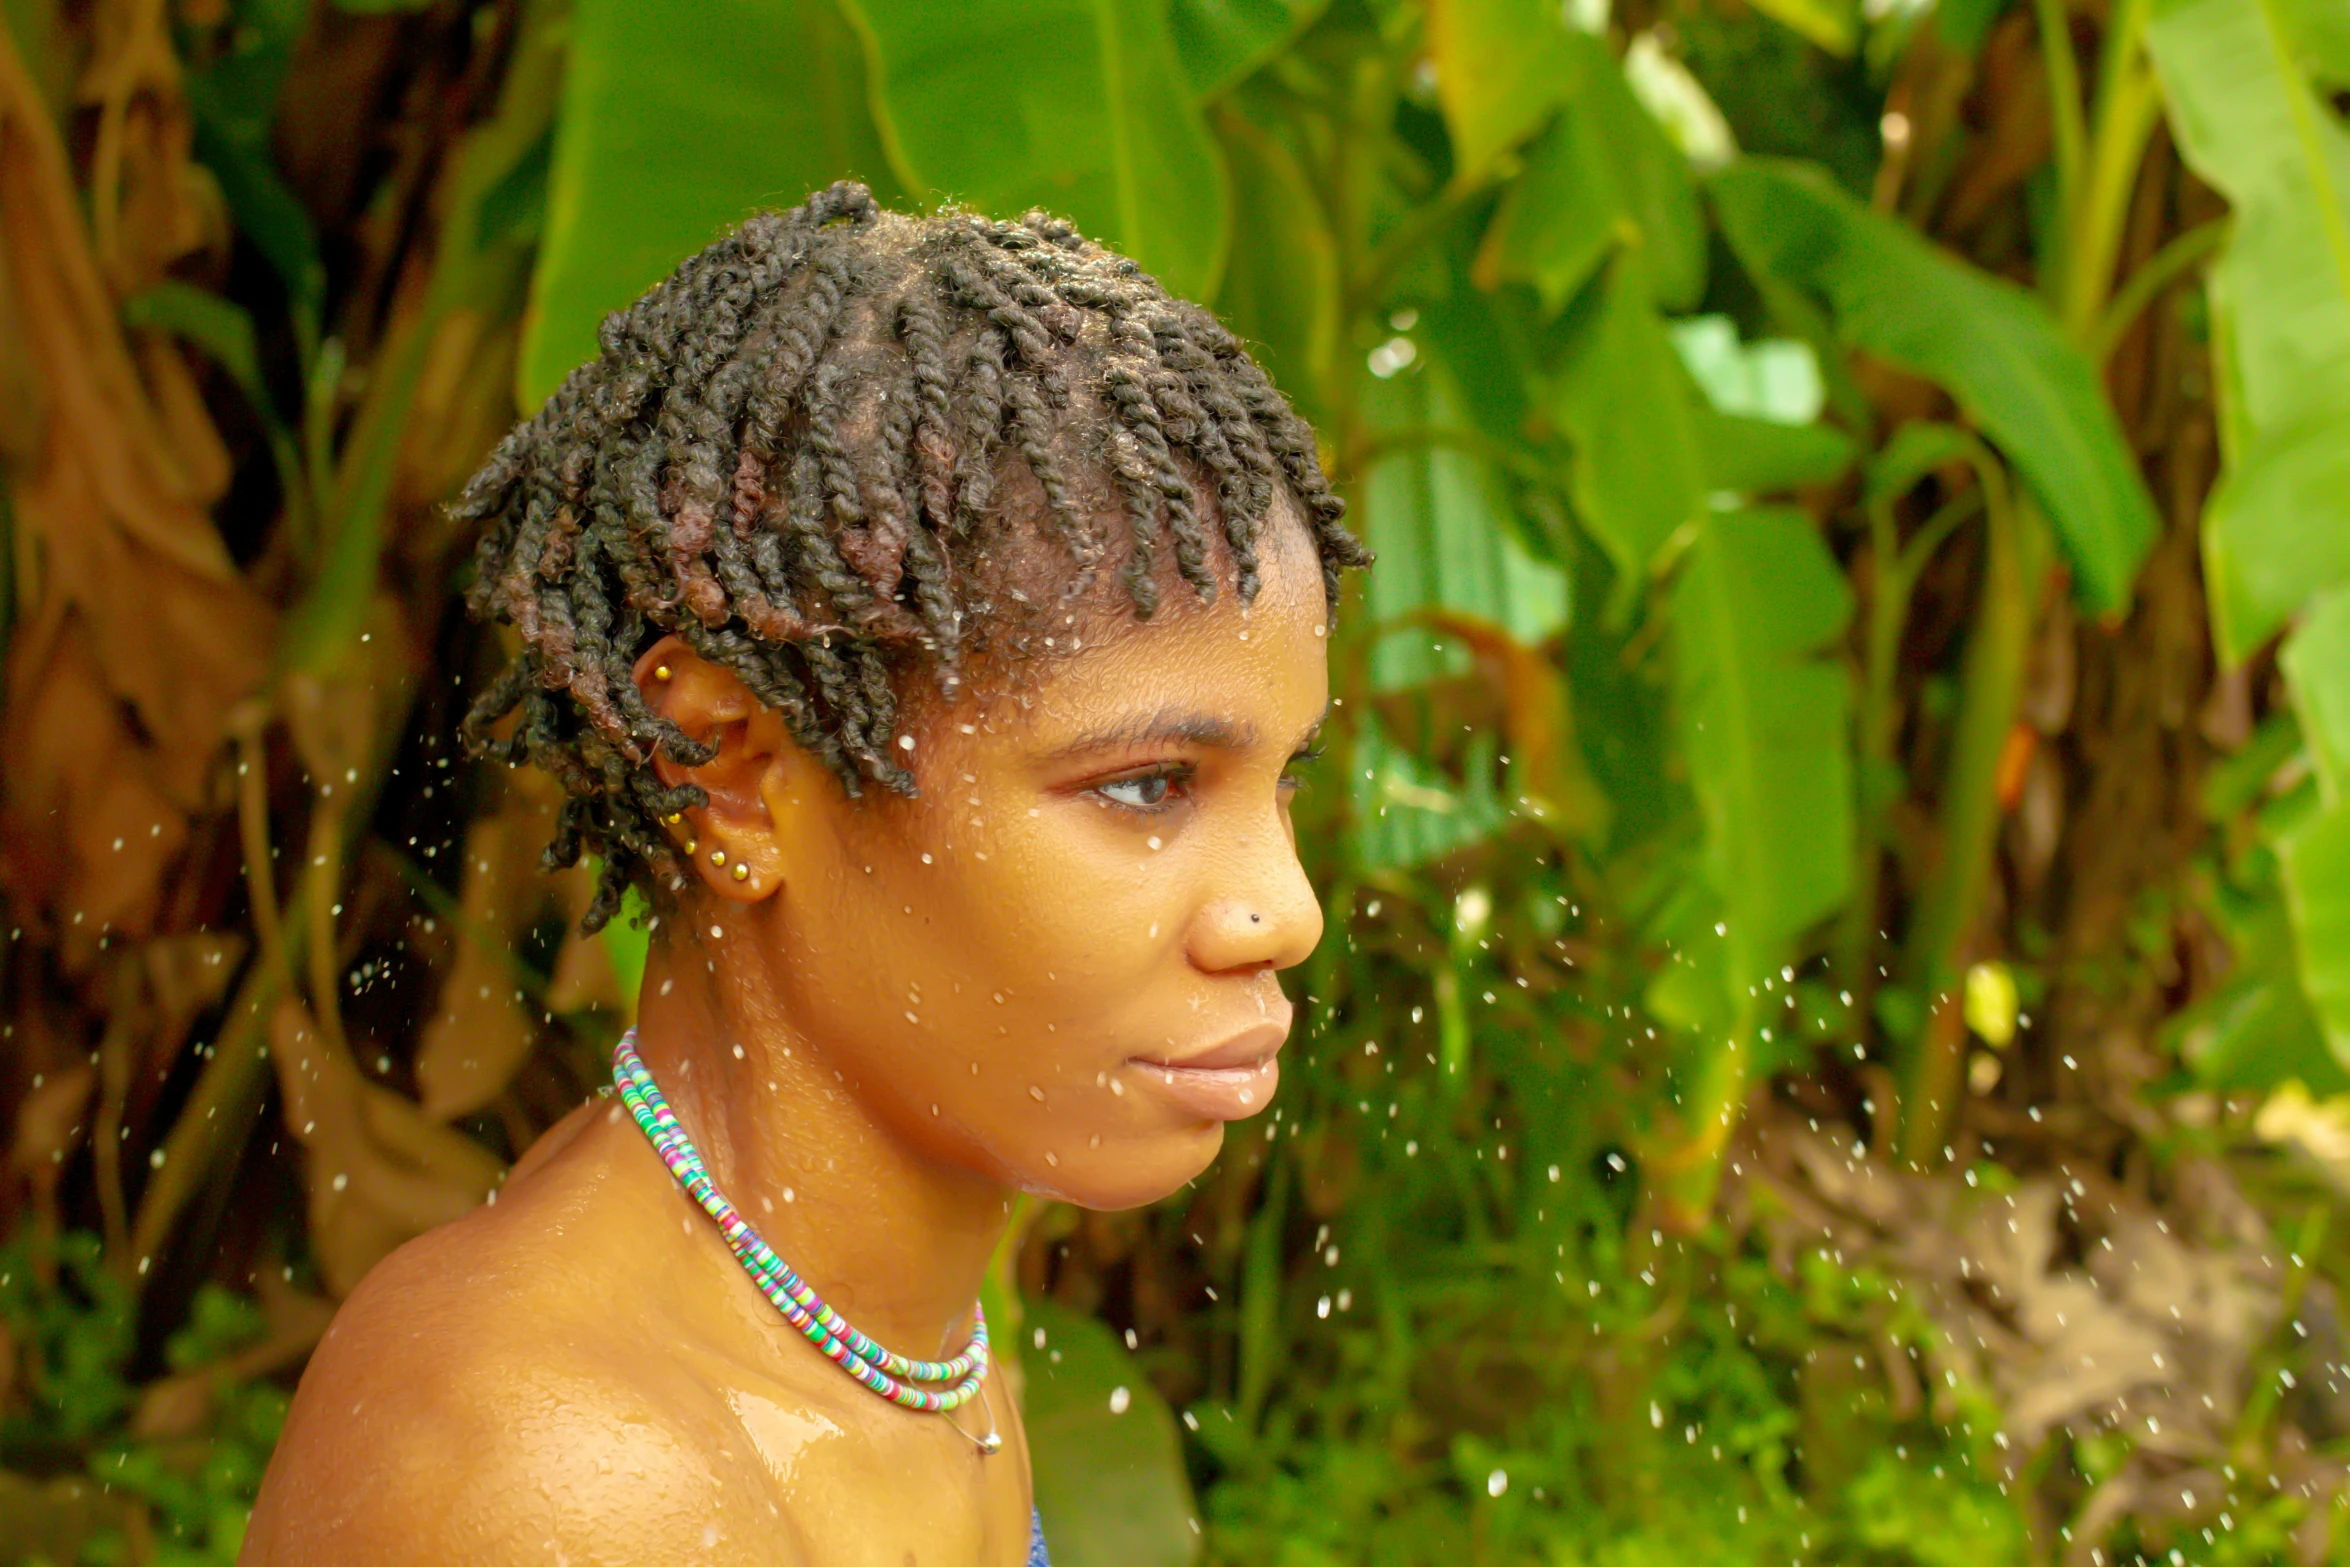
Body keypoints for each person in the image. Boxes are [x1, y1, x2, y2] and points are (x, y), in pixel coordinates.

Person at [235, 181, 1369, 1566]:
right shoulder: (562, 1478)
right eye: (1145, 785)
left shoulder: (911, 1353)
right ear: (731, 768)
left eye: (1285, 775)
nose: (1285, 910)